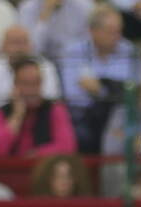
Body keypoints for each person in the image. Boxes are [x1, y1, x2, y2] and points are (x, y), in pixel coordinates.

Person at [58, 5, 132, 154]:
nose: (117, 36)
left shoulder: (129, 50)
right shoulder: (73, 51)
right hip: (84, 114)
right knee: (81, 135)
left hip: (119, 113)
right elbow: (73, 95)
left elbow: (131, 89)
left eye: (119, 31)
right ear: (93, 31)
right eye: (111, 32)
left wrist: (99, 89)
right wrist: (109, 89)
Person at [0, 58, 75, 157]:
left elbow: (67, 147)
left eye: (36, 83)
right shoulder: (1, 112)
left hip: (44, 168)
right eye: (26, 83)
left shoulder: (55, 109)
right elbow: (0, 150)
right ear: (15, 85)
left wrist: (36, 154)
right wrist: (17, 115)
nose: (31, 90)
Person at [0, 25, 59, 121]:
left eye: (24, 42)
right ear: (3, 46)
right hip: (2, 122)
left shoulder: (46, 67)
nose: (19, 48)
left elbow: (52, 104)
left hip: (39, 122)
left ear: (31, 46)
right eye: (14, 43)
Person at [16, 0, 92, 61]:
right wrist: (46, 13)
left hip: (73, 60)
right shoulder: (27, 8)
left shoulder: (84, 6)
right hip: (42, 62)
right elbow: (32, 50)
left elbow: (90, 45)